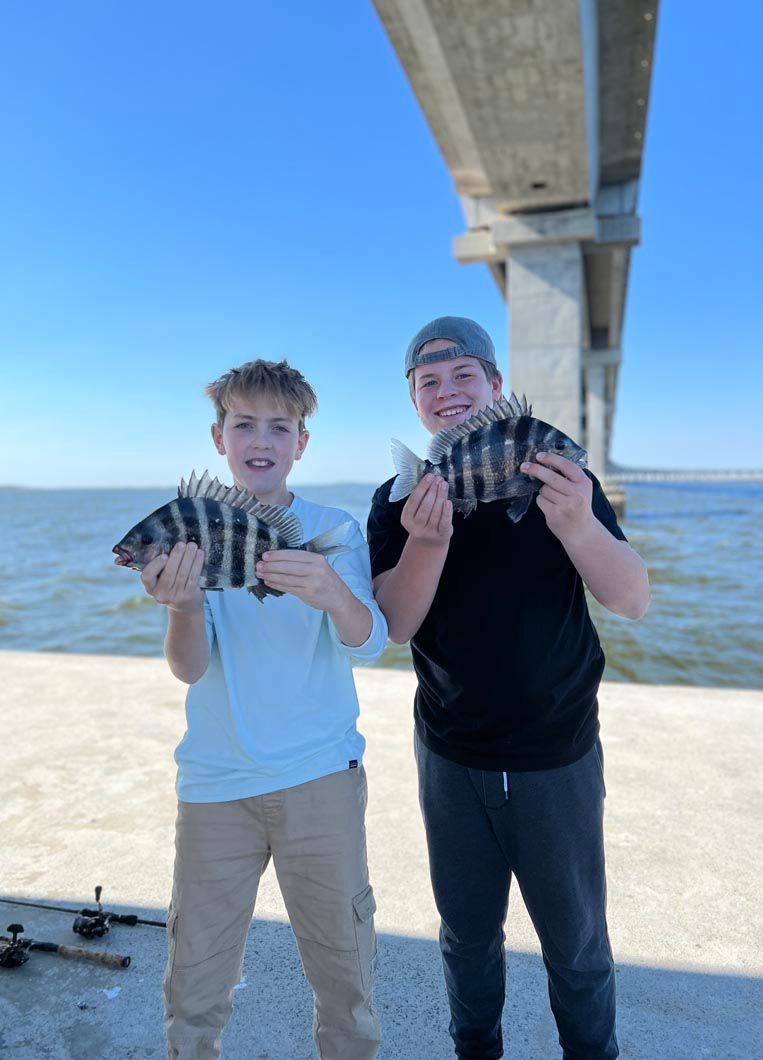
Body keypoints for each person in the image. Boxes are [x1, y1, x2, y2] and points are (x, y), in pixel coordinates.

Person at [367, 316, 649, 1060]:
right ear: (415, 403)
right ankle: (475, 1048)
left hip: (556, 753)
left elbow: (630, 599)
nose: (446, 391)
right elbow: (395, 623)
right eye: (428, 382)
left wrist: (578, 525)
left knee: (577, 942)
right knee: (464, 934)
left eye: (463, 376)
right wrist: (427, 538)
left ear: (494, 386)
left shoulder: (560, 477)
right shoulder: (400, 497)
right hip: (449, 751)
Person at [141, 359, 386, 1060]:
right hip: (216, 784)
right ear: (219, 438)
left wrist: (332, 592)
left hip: (321, 779)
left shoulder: (330, 528)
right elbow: (189, 667)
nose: (261, 438)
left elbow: (367, 644)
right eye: (244, 423)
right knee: (194, 977)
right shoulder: (192, 531)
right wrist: (183, 605)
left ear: (300, 443)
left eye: (279, 426)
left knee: (344, 969)